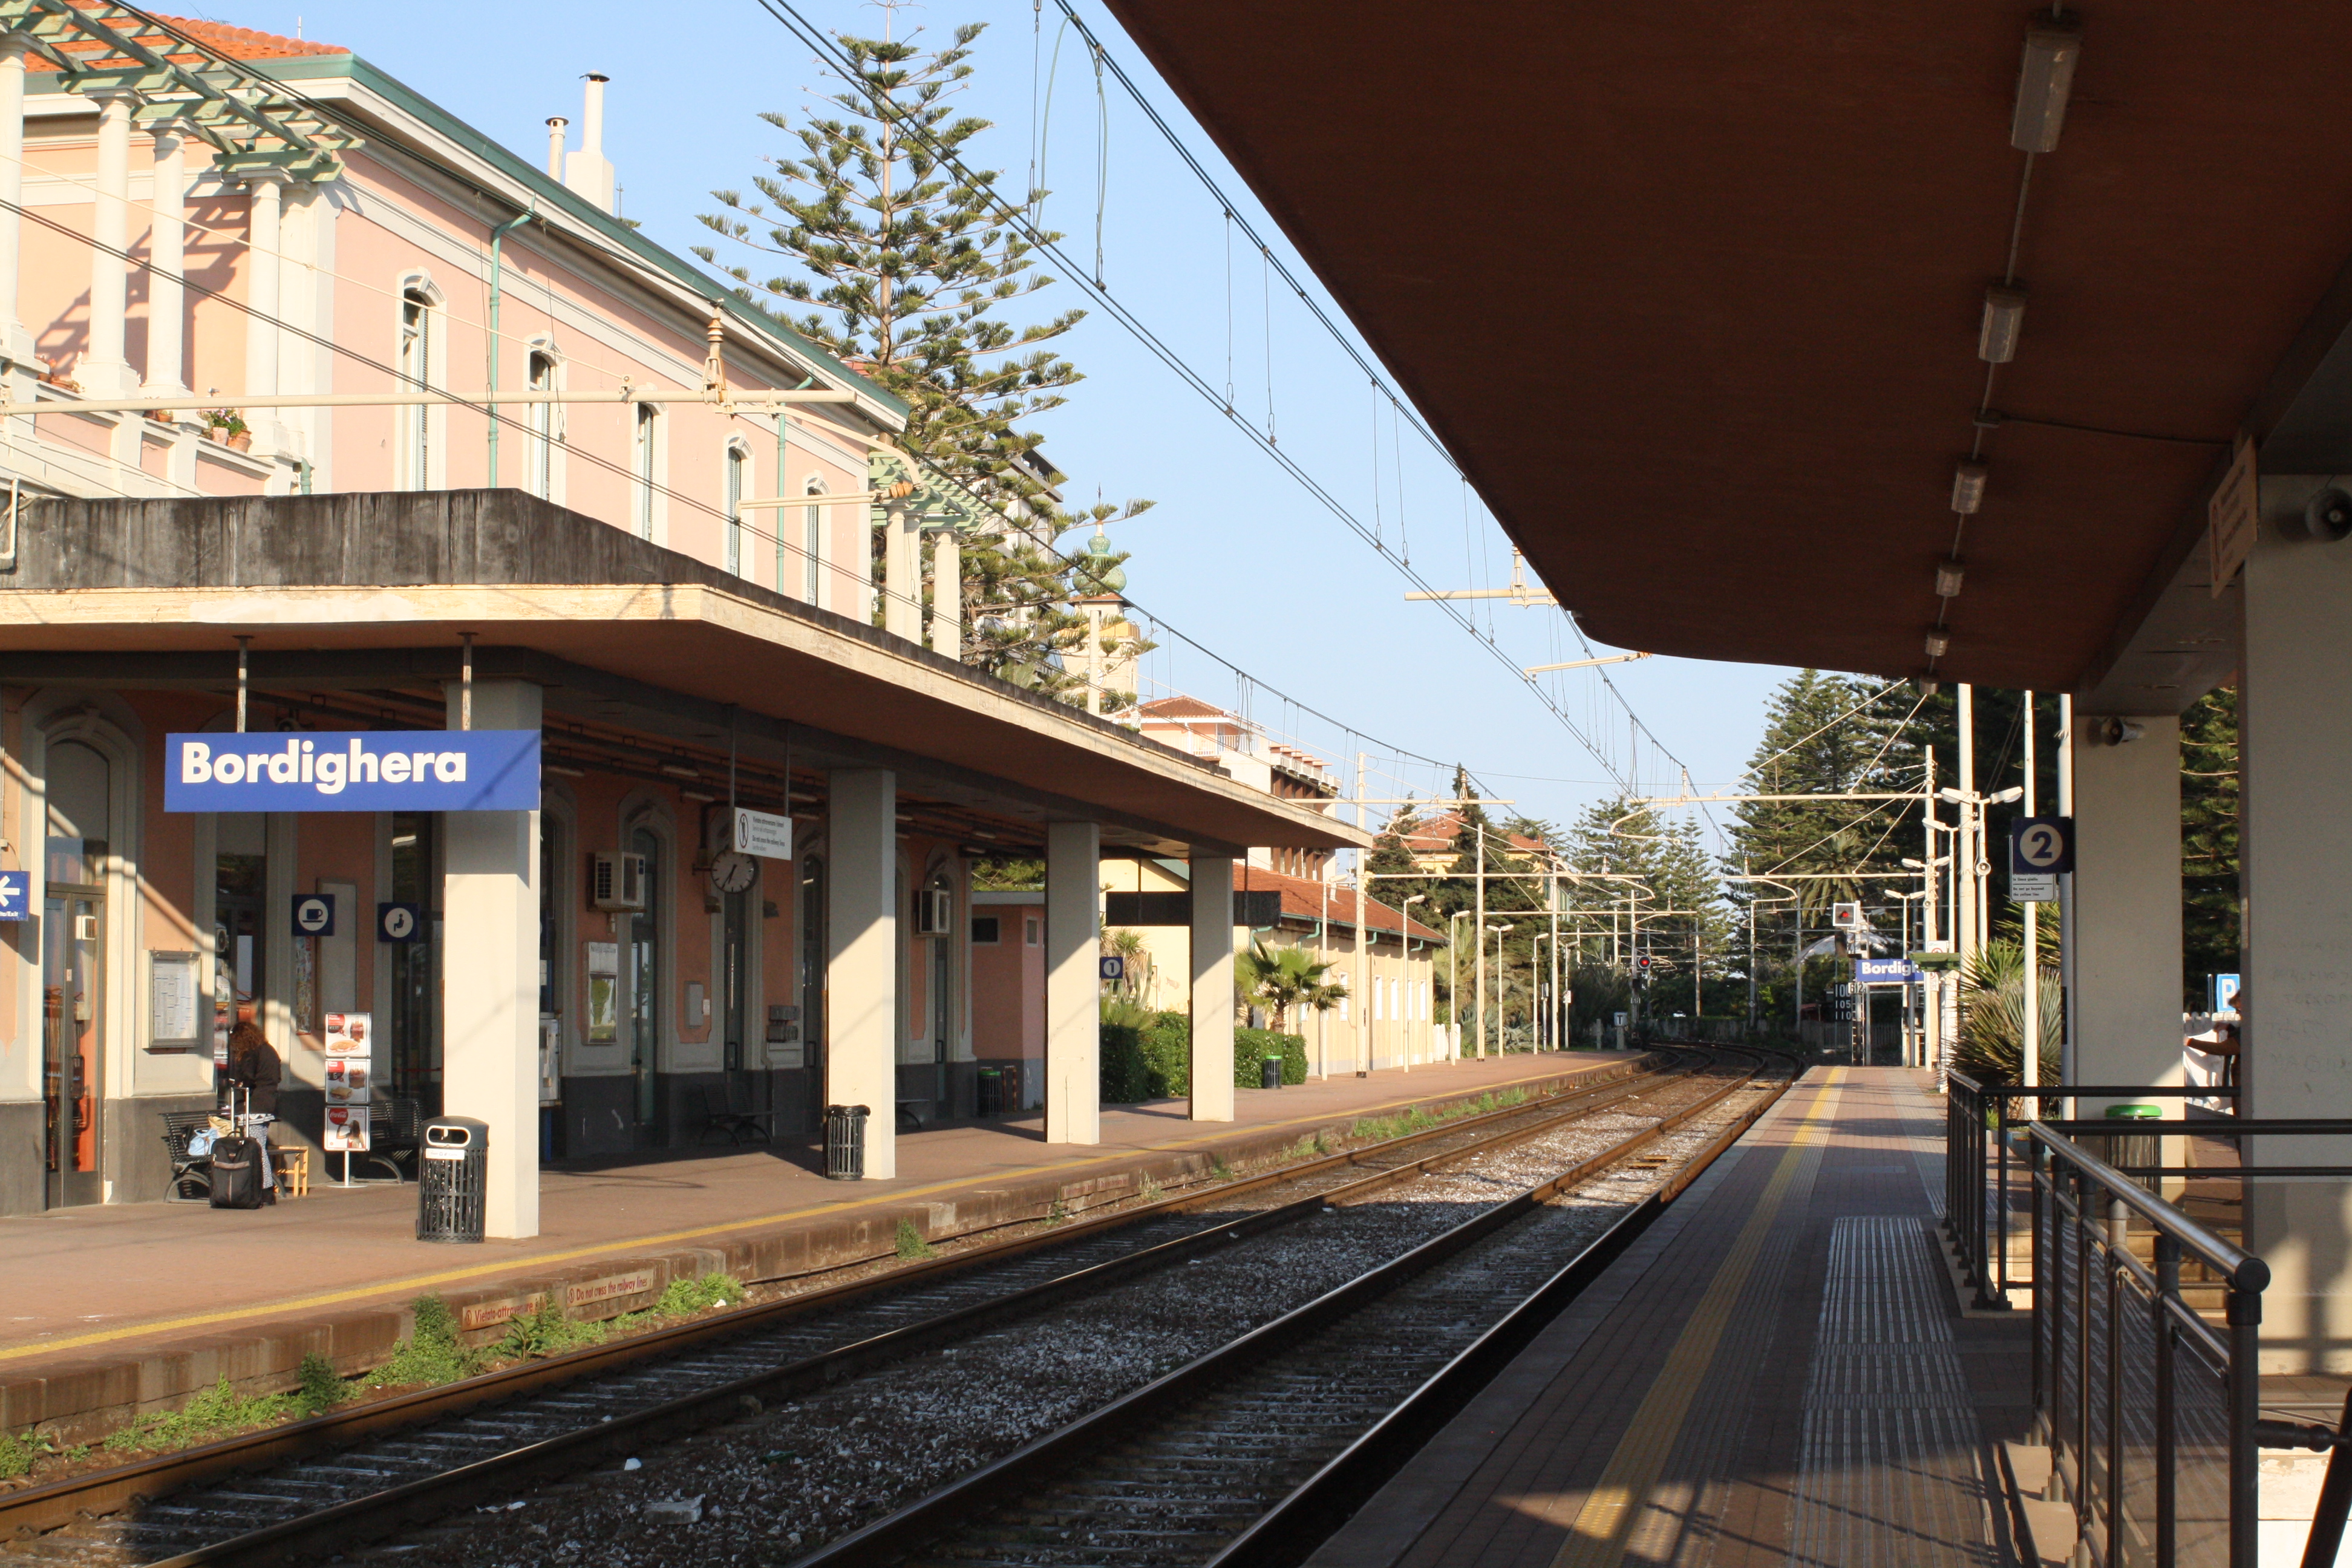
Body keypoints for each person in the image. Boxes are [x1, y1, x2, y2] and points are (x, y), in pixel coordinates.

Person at [223, 1022, 283, 1197]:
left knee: (257, 1147)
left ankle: (265, 1188)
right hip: (268, 1103)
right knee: (259, 1144)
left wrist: (239, 1083)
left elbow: (248, 1076)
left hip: (255, 1105)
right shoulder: (269, 1050)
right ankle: (263, 1187)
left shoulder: (252, 1052)